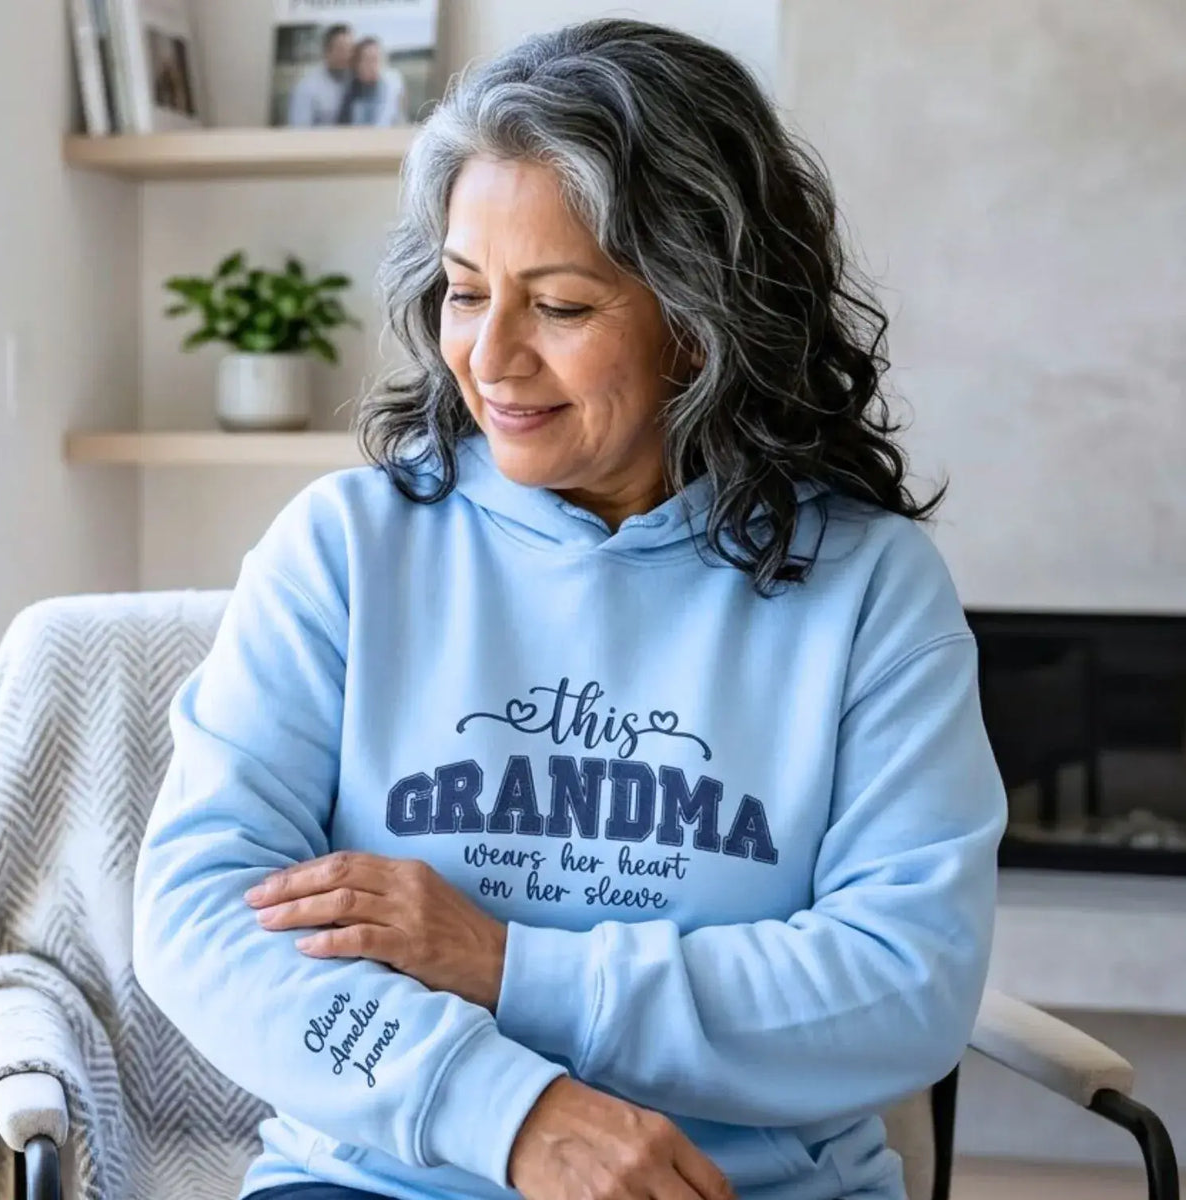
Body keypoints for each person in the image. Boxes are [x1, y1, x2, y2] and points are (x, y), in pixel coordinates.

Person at [132, 18, 1007, 1200]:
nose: (487, 359)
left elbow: (906, 986)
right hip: (383, 1180)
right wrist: (510, 1113)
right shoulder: (344, 551)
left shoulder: (867, 590)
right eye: (463, 291)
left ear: (699, 325)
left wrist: (510, 967)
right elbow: (203, 922)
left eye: (559, 306)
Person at [286, 23, 354, 127]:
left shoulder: (355, 82)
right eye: (341, 49)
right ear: (327, 51)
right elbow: (299, 133)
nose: (347, 55)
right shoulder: (307, 88)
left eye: (350, 49)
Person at [337, 37, 408, 127]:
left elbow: (400, 119)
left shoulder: (393, 84)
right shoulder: (349, 92)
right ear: (357, 64)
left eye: (377, 59)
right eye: (368, 60)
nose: (374, 66)